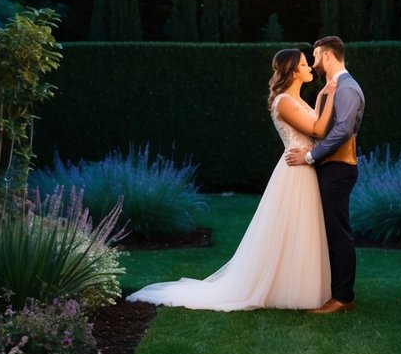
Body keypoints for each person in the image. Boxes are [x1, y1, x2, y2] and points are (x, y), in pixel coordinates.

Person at [126, 48, 336, 310]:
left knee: (302, 228)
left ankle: (301, 286)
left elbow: (313, 124)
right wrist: (331, 96)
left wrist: (320, 100)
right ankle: (287, 289)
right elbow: (317, 128)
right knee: (293, 229)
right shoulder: (283, 101)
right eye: (304, 65)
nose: (310, 68)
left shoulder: (297, 100)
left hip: (303, 165)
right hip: (295, 171)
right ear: (293, 71)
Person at [285, 36, 364, 315]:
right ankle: (334, 291)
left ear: (328, 56)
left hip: (338, 168)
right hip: (331, 167)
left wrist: (309, 156)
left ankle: (343, 297)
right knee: (330, 232)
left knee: (338, 233)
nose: (314, 63)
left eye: (316, 57)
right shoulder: (337, 88)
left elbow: (342, 131)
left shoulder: (348, 89)